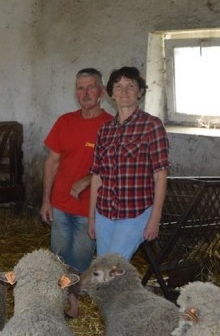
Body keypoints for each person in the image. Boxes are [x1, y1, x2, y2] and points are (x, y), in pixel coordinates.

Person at [40, 68, 112, 316]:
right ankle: (67, 303)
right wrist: (46, 201)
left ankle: (74, 298)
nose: (85, 93)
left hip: (89, 211)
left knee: (81, 260)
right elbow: (52, 162)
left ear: (101, 91)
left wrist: (88, 179)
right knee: (58, 258)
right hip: (60, 204)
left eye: (91, 87)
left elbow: (116, 169)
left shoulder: (111, 126)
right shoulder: (65, 121)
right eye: (80, 88)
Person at [88, 66, 170, 261]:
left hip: (135, 213)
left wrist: (154, 219)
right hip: (105, 211)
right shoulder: (105, 130)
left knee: (110, 269)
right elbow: (97, 176)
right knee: (103, 267)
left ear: (140, 92)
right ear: (111, 93)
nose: (124, 91)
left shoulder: (152, 126)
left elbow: (160, 175)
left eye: (130, 86)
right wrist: (91, 217)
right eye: (118, 86)